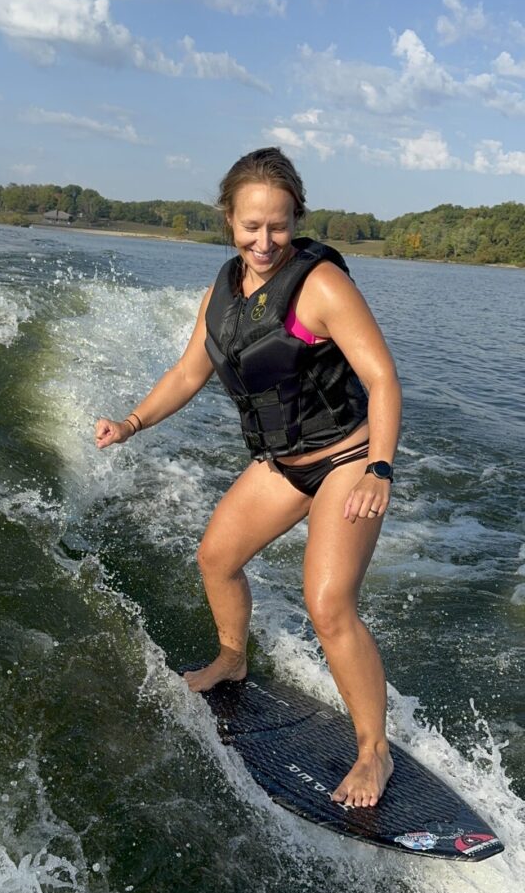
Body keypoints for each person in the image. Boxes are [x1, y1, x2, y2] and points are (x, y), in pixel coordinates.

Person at [95, 147, 401, 808]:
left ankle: (373, 752)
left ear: (296, 219)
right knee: (216, 557)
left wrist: (380, 466)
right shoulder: (222, 293)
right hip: (285, 463)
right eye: (251, 227)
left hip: (349, 460)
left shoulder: (321, 286)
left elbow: (381, 378)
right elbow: (187, 374)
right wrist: (132, 422)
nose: (265, 241)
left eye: (279, 226)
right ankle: (233, 659)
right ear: (228, 220)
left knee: (327, 603)